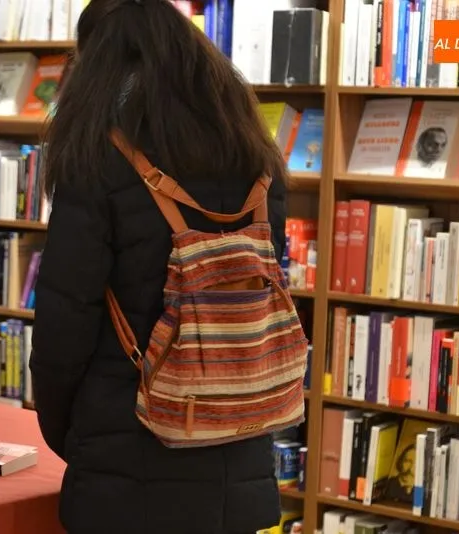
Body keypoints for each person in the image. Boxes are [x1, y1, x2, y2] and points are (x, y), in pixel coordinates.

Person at [29, 1, 288, 533]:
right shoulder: (258, 159)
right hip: (240, 451)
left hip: (128, 454)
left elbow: (64, 324)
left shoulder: (98, 158)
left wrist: (70, 433)